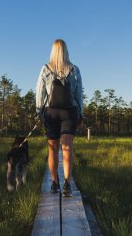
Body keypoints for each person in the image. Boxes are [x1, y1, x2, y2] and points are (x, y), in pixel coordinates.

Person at [36, 39, 83, 197]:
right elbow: (79, 94)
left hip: (51, 112)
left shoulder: (45, 69)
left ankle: (54, 183)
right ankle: (67, 185)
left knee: (53, 149)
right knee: (67, 149)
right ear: (66, 51)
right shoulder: (74, 69)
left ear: (53, 51)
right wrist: (80, 112)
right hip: (69, 112)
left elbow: (39, 92)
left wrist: (39, 111)